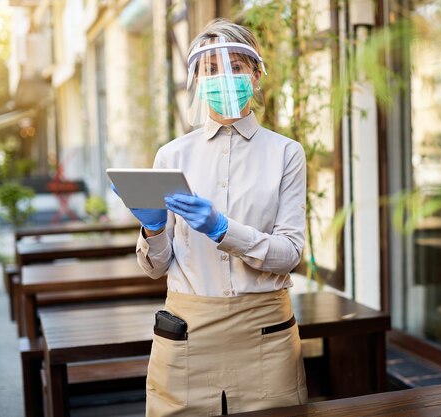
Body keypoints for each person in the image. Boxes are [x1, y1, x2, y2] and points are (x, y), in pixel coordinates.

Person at [116, 18, 308, 416]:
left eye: (236, 67)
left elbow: (290, 254)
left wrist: (223, 230)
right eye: (211, 69)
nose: (224, 78)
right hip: (188, 332)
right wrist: (153, 228)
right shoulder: (172, 156)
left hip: (265, 334)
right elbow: (156, 269)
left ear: (256, 74)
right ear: (197, 80)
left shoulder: (286, 153)